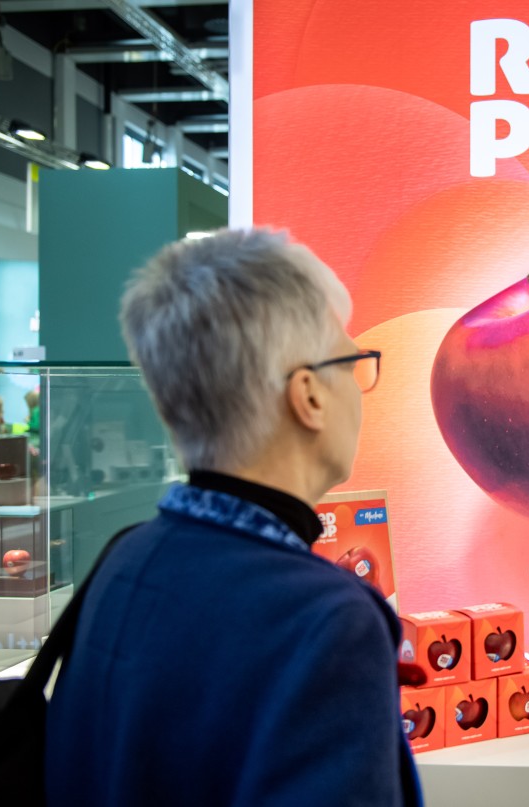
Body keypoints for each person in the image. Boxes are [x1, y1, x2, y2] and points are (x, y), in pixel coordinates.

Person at [45, 229, 420, 806]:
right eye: (354, 362)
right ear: (310, 396)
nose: (361, 389)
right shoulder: (327, 622)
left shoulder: (122, 562)